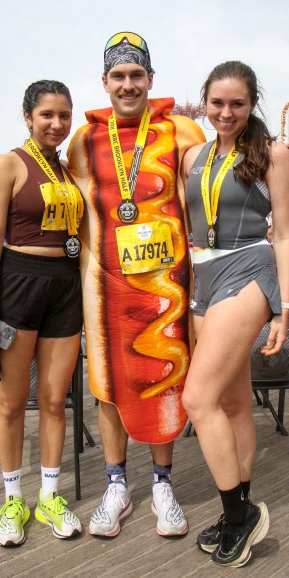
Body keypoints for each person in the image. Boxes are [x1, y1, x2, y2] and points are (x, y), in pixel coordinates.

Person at [67, 32, 206, 538]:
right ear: (105, 82)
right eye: (119, 77)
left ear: (151, 79)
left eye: (137, 75)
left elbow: (215, 186)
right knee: (108, 384)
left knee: (166, 378)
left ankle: (164, 483)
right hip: (104, 289)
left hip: (167, 289)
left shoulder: (183, 130)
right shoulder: (84, 141)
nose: (128, 85)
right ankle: (117, 484)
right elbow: (67, 203)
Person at [181, 60, 289, 567]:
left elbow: (287, 234)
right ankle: (242, 506)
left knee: (197, 398)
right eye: (217, 103)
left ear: (252, 105)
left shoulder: (272, 153)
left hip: (248, 269)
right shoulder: (192, 155)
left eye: (238, 103)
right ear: (204, 102)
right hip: (201, 277)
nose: (226, 112)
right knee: (230, 402)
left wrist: (285, 307)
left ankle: (238, 517)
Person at [0, 80, 84, 547]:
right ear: (28, 117)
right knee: (13, 403)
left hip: (66, 286)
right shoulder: (7, 165)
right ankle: (13, 500)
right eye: (47, 115)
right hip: (17, 284)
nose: (56, 123)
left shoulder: (68, 169)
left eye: (64, 115)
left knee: (56, 401)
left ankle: (51, 497)